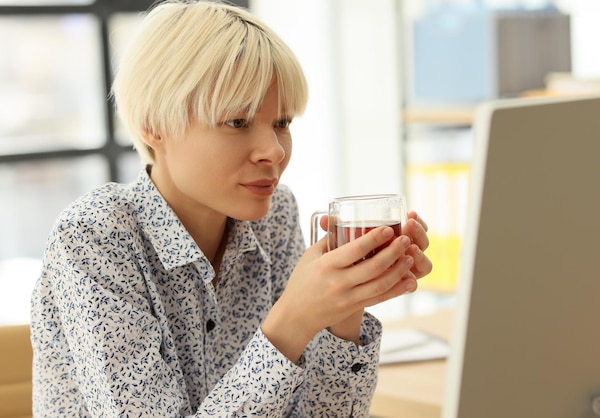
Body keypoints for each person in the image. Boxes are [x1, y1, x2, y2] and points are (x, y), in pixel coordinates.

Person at [30, 1, 432, 417]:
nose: (275, 152)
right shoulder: (95, 238)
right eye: (238, 122)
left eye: (282, 122)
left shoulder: (274, 217)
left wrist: (343, 311)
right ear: (154, 125)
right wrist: (293, 320)